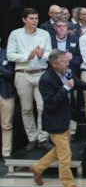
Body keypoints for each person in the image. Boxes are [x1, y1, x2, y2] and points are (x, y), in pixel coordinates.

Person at [29, 49, 86, 187]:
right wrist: (66, 87)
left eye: (68, 61)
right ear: (54, 64)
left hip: (66, 118)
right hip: (54, 121)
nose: (68, 64)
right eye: (65, 62)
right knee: (65, 153)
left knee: (60, 150)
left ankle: (37, 167)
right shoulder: (46, 79)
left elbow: (78, 84)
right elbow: (50, 103)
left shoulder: (66, 73)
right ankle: (68, 185)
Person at [7, 8, 53, 151]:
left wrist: (41, 55)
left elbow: (50, 54)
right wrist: (29, 55)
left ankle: (43, 138)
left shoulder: (44, 34)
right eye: (31, 18)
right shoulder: (15, 34)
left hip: (40, 73)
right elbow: (10, 55)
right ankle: (32, 138)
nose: (34, 21)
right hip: (23, 73)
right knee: (26, 109)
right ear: (24, 19)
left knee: (43, 107)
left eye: (36, 18)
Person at [51, 19, 83, 142]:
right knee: (57, 102)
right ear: (55, 27)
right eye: (59, 26)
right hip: (55, 76)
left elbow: (81, 59)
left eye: (64, 26)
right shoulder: (50, 40)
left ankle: (72, 131)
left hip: (71, 75)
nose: (62, 28)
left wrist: (72, 58)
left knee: (72, 103)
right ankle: (57, 131)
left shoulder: (75, 40)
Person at [0, 37, 16, 161]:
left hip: (5, 93)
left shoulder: (7, 54)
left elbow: (11, 74)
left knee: (6, 125)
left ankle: (6, 153)